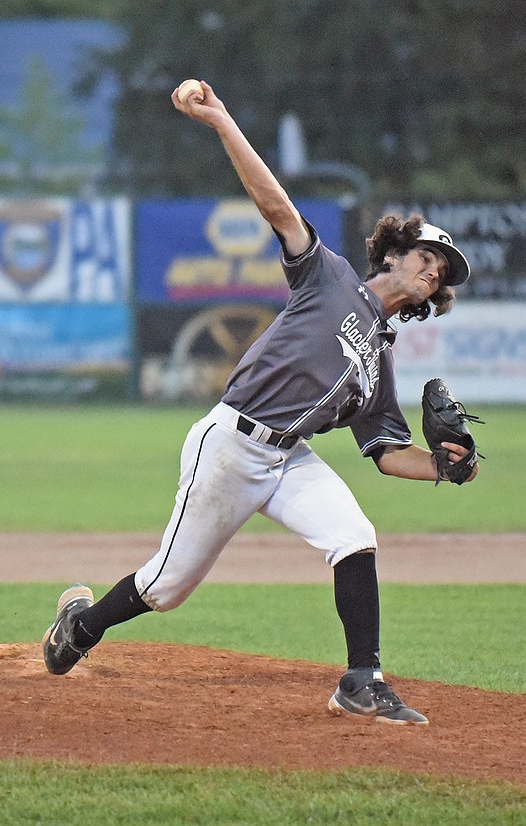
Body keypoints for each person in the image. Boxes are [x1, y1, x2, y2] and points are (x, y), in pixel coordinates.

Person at [42, 79, 477, 726]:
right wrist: (221, 119)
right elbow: (276, 204)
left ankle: (362, 680)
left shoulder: (379, 357)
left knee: (354, 535)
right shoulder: (327, 276)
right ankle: (81, 626)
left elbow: (387, 453)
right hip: (231, 445)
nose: (434, 271)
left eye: (442, 272)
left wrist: (448, 465)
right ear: (393, 252)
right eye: (427, 256)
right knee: (166, 587)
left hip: (288, 460)